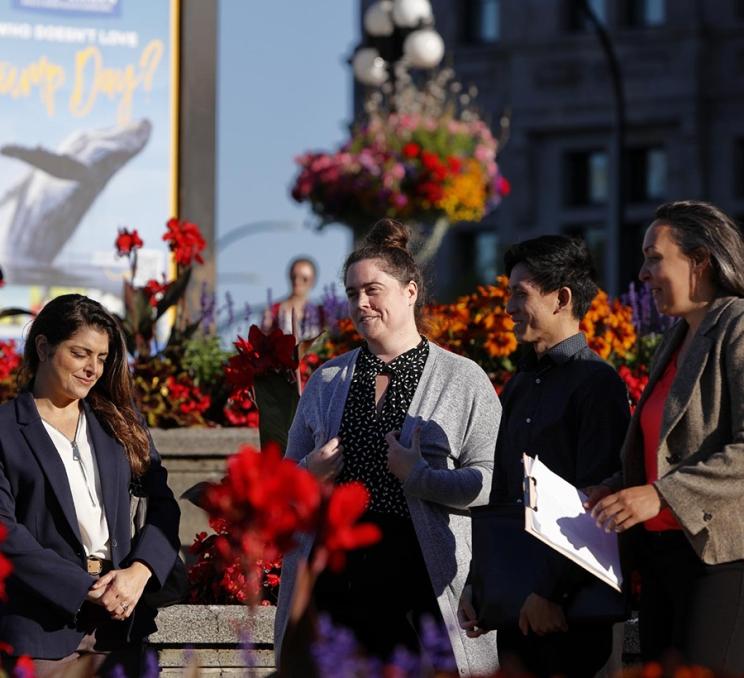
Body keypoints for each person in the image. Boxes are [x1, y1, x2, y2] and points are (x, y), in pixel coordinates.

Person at [274, 219, 502, 675]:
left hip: (423, 579)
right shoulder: (327, 381)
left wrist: (421, 477)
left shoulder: (463, 378)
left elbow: (492, 485)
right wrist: (308, 473)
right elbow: (281, 484)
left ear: (411, 291)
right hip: (336, 579)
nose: (361, 303)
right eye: (353, 292)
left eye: (373, 290)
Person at [458, 235, 630, 678]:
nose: (509, 307)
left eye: (521, 294)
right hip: (518, 606)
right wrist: (479, 584)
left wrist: (550, 592)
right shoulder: (518, 385)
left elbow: (596, 499)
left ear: (563, 299)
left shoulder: (598, 383)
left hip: (574, 612)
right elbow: (501, 495)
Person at [588, 201, 744, 673]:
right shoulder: (677, 340)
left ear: (699, 262)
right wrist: (617, 488)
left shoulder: (737, 326)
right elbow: (663, 453)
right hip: (663, 562)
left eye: (655, 257)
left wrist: (661, 496)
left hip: (718, 563)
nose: (642, 273)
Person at [0, 294, 181, 676]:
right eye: (81, 353)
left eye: (101, 358)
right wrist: (84, 588)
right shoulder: (5, 429)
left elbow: (162, 504)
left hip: (122, 628)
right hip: (40, 633)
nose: (93, 369)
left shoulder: (120, 422)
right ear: (44, 346)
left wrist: (140, 572)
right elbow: (4, 533)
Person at [263, 256, 323, 339]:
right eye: (294, 277)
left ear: (313, 281)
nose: (297, 281)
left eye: (304, 279)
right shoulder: (274, 310)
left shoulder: (321, 313)